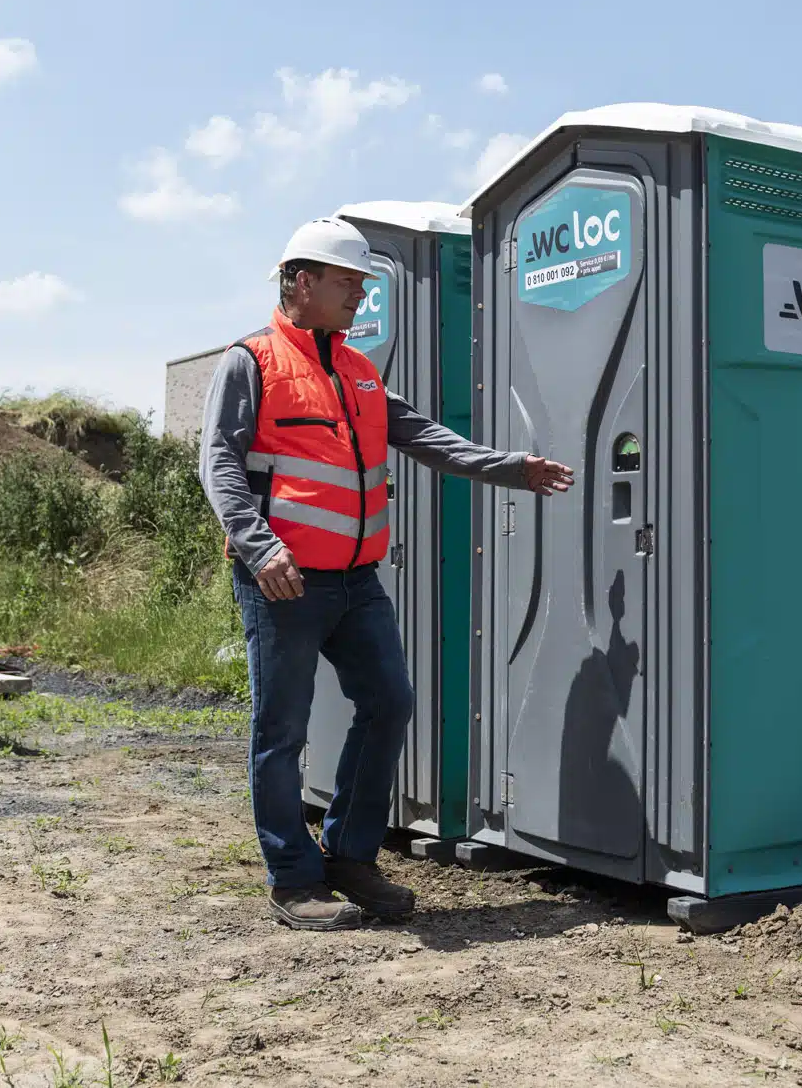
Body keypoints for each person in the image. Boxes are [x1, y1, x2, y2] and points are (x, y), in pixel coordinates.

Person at [199, 217, 575, 930]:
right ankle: (293, 879)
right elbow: (218, 462)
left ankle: (349, 854)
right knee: (281, 729)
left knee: (390, 702)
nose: (360, 296)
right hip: (282, 579)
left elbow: (425, 436)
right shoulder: (250, 362)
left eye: (364, 285)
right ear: (300, 281)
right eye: (348, 283)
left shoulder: (359, 371)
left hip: (356, 581)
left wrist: (510, 468)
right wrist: (258, 547)